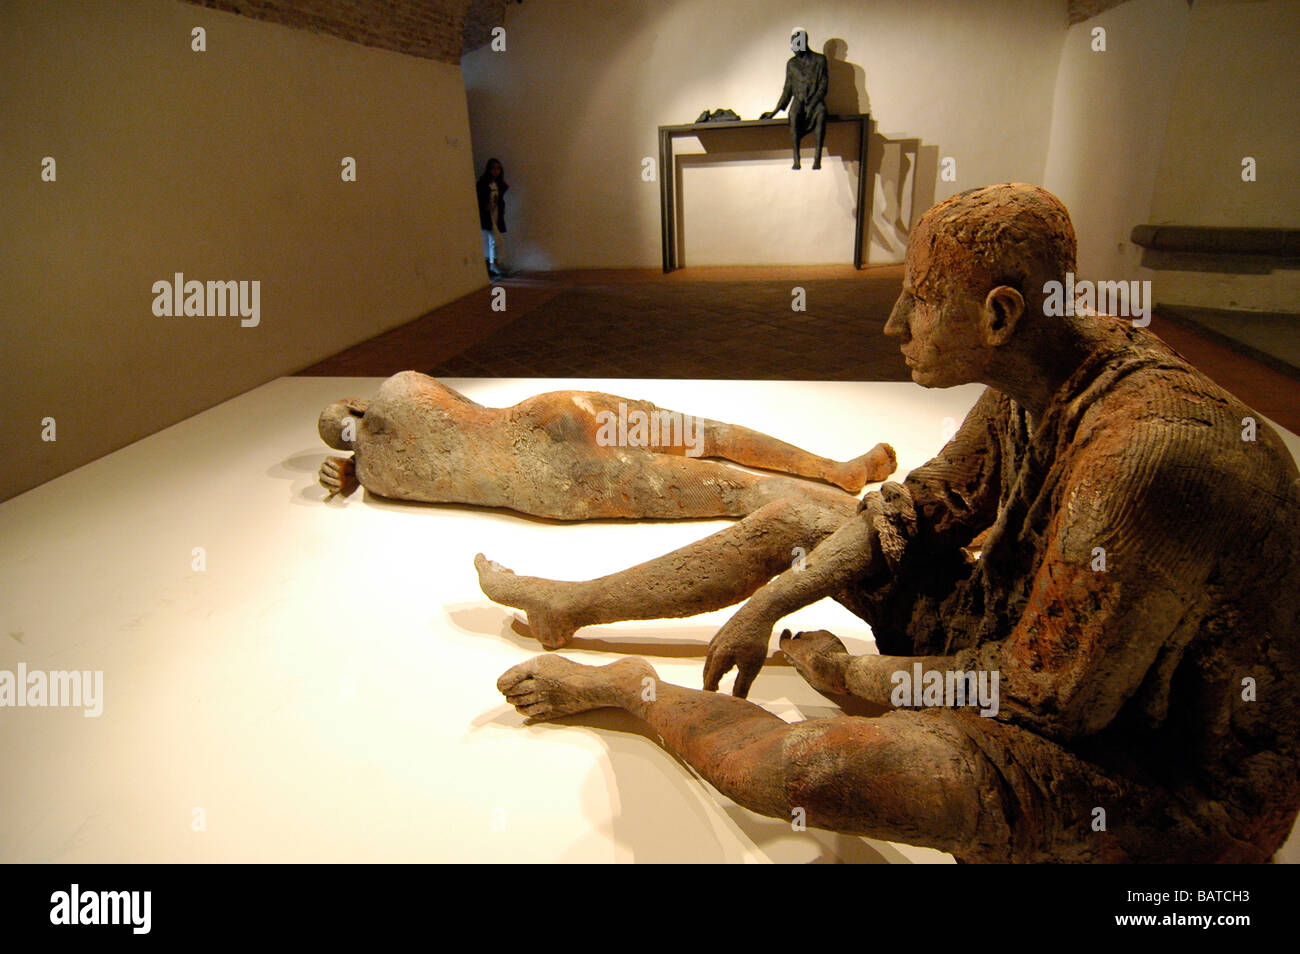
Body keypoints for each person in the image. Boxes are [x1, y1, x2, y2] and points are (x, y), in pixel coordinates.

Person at [487, 184, 1300, 862]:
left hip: (1160, 786)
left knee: (813, 773)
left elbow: (1044, 697)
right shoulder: (1041, 366)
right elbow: (922, 506)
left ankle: (631, 692)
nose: (892, 324)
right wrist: (774, 601)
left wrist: (856, 679)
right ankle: (576, 603)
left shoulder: (1149, 455)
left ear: (999, 315)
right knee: (791, 524)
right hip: (1024, 637)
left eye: (920, 301)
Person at [760, 28, 829, 170]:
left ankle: (817, 159)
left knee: (821, 113)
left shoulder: (819, 60)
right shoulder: (792, 64)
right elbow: (787, 90)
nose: (794, 49)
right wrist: (774, 112)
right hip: (799, 100)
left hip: (815, 101)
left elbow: (823, 85)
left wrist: (813, 103)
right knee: (793, 114)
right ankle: (796, 159)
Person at [476, 158, 508, 278]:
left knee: (493, 239)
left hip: (495, 213)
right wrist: (485, 206)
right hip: (487, 214)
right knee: (494, 238)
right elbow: (480, 197)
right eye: (493, 168)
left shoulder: (497, 183)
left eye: (498, 168)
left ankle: (494, 264)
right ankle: (493, 264)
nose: (496, 171)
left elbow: (500, 197)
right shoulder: (483, 183)